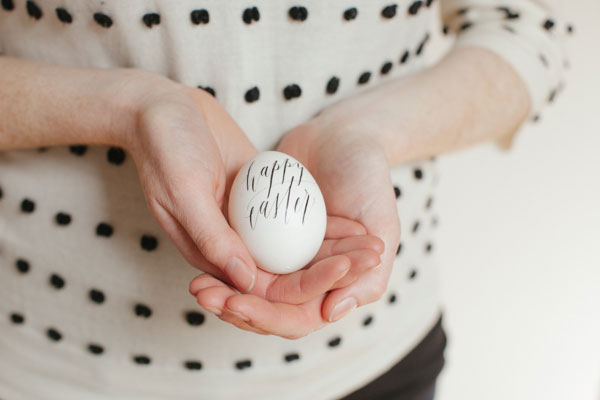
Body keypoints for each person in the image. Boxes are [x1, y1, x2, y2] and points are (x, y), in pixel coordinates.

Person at [0, 0, 570, 399]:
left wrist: (367, 132)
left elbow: (529, 28)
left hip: (371, 362)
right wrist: (124, 108)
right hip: (57, 370)